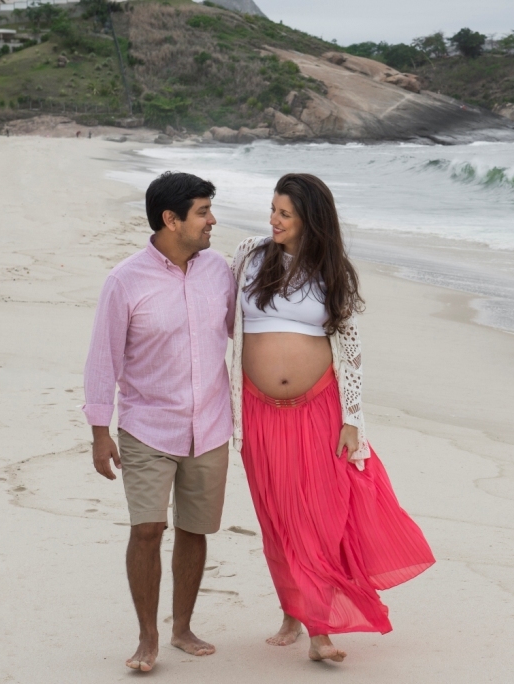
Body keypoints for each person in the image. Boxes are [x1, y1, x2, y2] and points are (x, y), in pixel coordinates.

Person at [230, 173, 435, 663]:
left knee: (319, 515)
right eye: (273, 209)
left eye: (285, 213)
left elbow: (351, 348)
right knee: (277, 515)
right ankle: (292, 610)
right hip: (258, 410)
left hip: (320, 407)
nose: (273, 220)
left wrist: (353, 417)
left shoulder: (331, 270)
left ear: (310, 220)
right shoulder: (247, 257)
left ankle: (320, 629)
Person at [83, 171, 236, 672]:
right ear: (172, 220)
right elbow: (102, 360)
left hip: (211, 425)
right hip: (147, 426)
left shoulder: (220, 272)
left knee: (195, 530)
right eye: (202, 211)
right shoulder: (124, 280)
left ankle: (182, 627)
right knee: (147, 530)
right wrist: (99, 432)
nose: (212, 220)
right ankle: (147, 637)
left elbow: (246, 336)